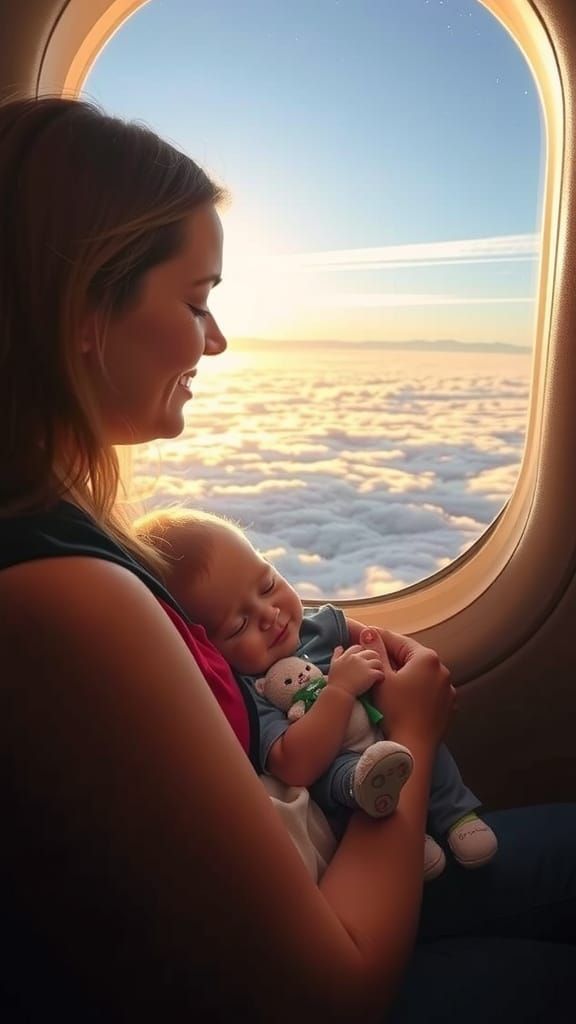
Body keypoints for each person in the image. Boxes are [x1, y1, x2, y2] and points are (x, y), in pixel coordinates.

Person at [0, 95, 575, 1023]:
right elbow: (327, 995)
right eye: (197, 302)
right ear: (83, 311)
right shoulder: (65, 600)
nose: (217, 340)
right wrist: (414, 738)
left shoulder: (67, 538)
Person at [135, 508, 498, 881]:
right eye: (239, 624)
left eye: (268, 585)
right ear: (210, 653)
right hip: (344, 781)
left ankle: (457, 816)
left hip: (382, 728)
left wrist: (394, 667)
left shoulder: (321, 625)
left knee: (427, 748)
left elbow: (377, 640)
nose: (269, 614)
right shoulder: (251, 694)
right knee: (344, 781)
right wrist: (339, 691)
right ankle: (410, 839)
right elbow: (295, 764)